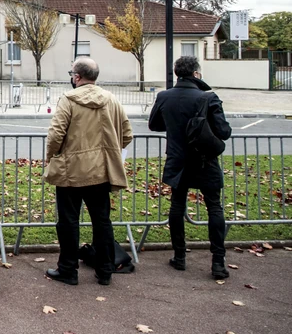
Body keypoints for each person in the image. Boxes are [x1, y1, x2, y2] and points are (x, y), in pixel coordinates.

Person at [43, 57, 131, 287]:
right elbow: (127, 133)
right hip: (101, 170)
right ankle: (105, 270)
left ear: (77, 77)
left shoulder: (69, 100)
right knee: (101, 221)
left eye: (72, 73)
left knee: (68, 221)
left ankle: (68, 269)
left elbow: (55, 134)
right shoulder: (111, 99)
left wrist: (51, 156)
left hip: (71, 170)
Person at [149, 55, 233, 279]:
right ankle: (217, 262)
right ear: (196, 73)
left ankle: (179, 257)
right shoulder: (208, 98)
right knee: (214, 207)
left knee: (177, 205)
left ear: (177, 73)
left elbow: (154, 124)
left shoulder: (164, 96)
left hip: (178, 159)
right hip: (205, 159)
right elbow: (224, 131)